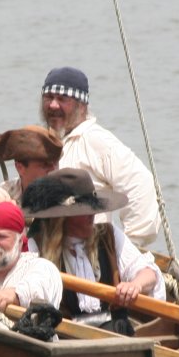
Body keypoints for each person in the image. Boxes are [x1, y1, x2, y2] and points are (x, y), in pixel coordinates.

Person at [22, 168, 164, 334]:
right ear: (61, 218)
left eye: (92, 209)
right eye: (83, 212)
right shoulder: (35, 247)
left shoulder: (108, 235)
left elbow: (148, 273)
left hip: (116, 336)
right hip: (63, 340)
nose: (92, 215)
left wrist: (135, 285)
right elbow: (28, 292)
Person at [39, 66, 161, 248]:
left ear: (82, 106)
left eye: (62, 99)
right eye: (48, 97)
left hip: (89, 253)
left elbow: (141, 184)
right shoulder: (49, 141)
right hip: (52, 248)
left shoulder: (96, 140)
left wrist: (127, 248)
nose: (53, 105)